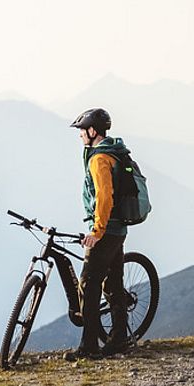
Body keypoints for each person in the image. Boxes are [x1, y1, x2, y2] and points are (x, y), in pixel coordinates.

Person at [72, 108, 133, 357]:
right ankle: (118, 338)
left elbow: (104, 197)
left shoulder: (99, 159)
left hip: (106, 230)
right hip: (118, 228)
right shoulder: (113, 152)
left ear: (92, 131)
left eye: (82, 131)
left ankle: (88, 346)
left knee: (89, 284)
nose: (80, 136)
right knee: (114, 283)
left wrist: (97, 231)